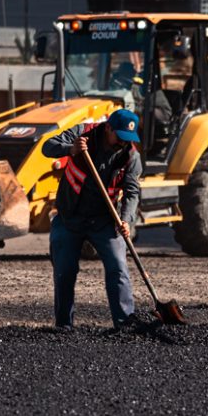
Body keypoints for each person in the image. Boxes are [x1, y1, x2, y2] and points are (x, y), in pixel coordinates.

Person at [42, 109, 144, 329]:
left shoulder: (131, 156)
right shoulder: (82, 133)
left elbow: (132, 192)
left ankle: (125, 323)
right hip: (70, 217)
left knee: (118, 268)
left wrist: (126, 220)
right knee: (64, 271)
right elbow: (46, 147)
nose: (123, 143)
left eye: (128, 139)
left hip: (105, 221)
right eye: (120, 137)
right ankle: (63, 326)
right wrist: (71, 149)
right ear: (108, 128)